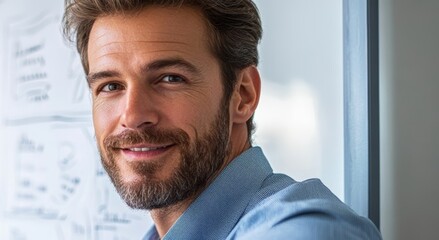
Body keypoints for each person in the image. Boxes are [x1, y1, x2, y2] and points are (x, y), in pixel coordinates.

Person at [62, 0, 381, 239]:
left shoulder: (304, 231)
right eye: (111, 86)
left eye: (170, 79)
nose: (132, 116)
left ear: (242, 95)